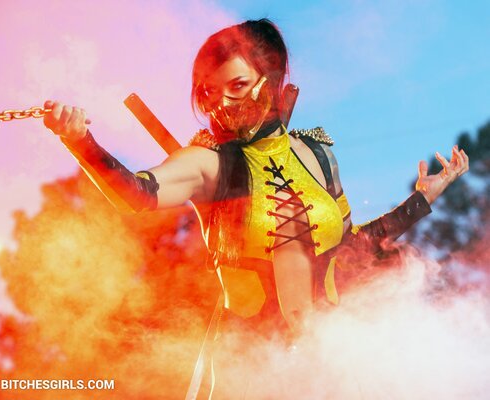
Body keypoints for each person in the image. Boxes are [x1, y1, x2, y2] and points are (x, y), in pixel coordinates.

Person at [43, 18, 469, 399]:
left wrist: (421, 200)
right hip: (244, 369)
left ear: (273, 79)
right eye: (210, 92)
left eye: (238, 86)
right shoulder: (207, 164)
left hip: (329, 360)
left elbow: (351, 248)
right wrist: (79, 140)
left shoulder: (317, 154)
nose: (222, 104)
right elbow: (135, 193)